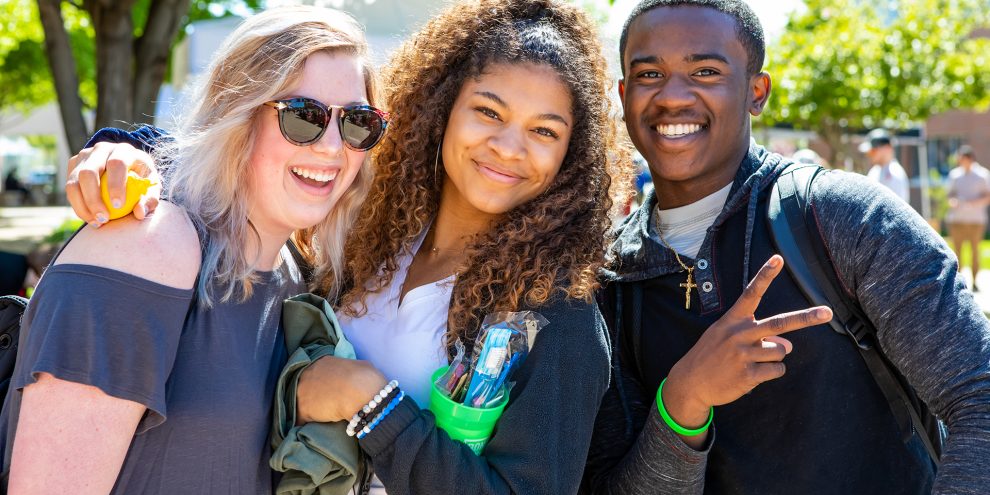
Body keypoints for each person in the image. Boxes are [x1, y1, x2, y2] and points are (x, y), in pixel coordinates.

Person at [62, 1, 633, 493]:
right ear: (442, 111)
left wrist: (374, 404)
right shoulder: (363, 234)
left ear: (569, 158)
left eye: (545, 131)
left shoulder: (557, 317)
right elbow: (253, 157)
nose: (509, 147)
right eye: (488, 111)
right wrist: (126, 151)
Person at [582, 1, 990, 494]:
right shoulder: (606, 280)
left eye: (706, 71)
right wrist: (683, 400)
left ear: (757, 92)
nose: (672, 97)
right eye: (650, 74)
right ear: (624, 95)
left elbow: (979, 397)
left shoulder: (841, 215)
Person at [0, 6, 384, 493]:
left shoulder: (293, 273)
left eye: (357, 122)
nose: (332, 147)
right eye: (304, 117)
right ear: (236, 113)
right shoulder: (146, 245)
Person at [946, 145, 990, 290]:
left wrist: (973, 203)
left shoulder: (982, 175)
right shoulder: (955, 175)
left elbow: (988, 196)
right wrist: (953, 202)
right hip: (957, 220)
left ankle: (975, 281)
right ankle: (958, 281)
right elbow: (949, 195)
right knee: (957, 252)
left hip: (976, 220)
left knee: (974, 251)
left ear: (970, 159)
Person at [861, 127, 911, 203]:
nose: (869, 155)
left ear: (887, 148)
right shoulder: (875, 170)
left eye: (873, 151)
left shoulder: (895, 172)